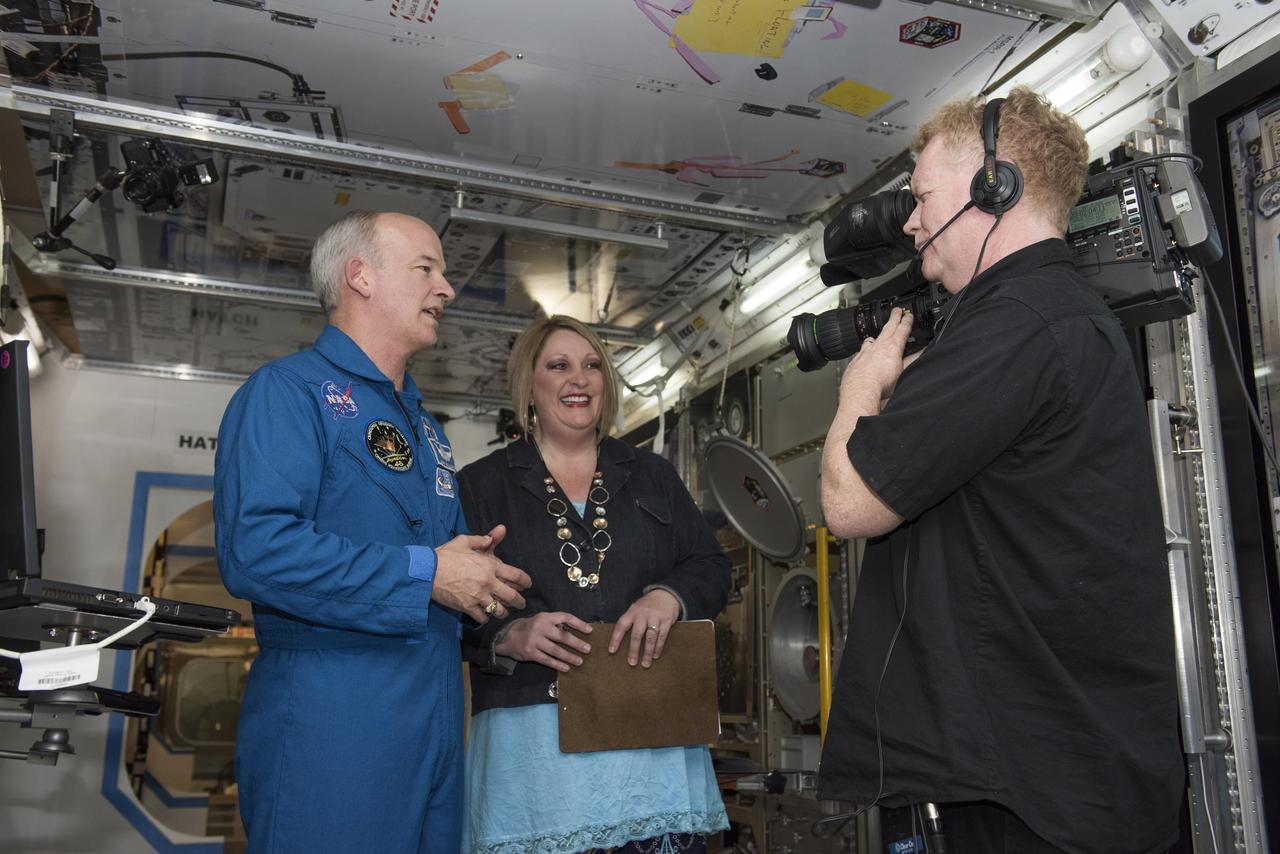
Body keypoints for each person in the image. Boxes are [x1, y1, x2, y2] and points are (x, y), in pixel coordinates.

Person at [816, 87, 1184, 854]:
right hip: (1045, 773)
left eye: (921, 198)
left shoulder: (1020, 322)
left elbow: (851, 503)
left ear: (996, 186)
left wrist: (860, 388)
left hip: (1028, 786)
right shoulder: (1046, 316)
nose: (912, 223)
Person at [214, 210, 532, 853]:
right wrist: (428, 573)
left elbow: (451, 572)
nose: (446, 288)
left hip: (438, 718)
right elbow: (256, 551)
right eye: (427, 269)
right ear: (359, 276)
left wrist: (494, 607)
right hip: (333, 722)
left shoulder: (429, 431)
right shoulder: (287, 393)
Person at [457, 315, 732, 853]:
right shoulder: (480, 485)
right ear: (529, 387)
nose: (577, 379)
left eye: (591, 367)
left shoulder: (653, 475)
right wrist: (508, 635)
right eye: (558, 366)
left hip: (652, 732)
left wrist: (668, 596)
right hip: (537, 756)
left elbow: (710, 566)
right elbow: (444, 606)